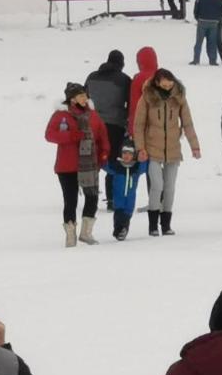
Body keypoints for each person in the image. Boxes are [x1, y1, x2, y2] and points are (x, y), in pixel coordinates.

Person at [134, 67, 200, 237]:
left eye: (170, 84)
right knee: (157, 185)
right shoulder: (146, 98)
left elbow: (188, 123)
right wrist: (140, 148)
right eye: (164, 85)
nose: (168, 87)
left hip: (172, 150)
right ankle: (153, 225)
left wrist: (195, 145)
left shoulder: (179, 98)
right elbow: (139, 125)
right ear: (157, 83)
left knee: (169, 188)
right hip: (152, 149)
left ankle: (166, 224)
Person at [46, 82, 110, 246]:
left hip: (89, 165)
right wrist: (72, 136)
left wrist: (103, 154)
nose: (85, 98)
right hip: (67, 166)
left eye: (85, 95)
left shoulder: (93, 116)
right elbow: (50, 135)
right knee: (70, 200)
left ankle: (86, 233)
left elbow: (103, 136)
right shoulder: (61, 115)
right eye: (81, 95)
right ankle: (70, 235)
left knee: (92, 197)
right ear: (72, 99)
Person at [85, 49, 132, 210]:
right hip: (115, 125)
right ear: (121, 63)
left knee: (93, 160)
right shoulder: (124, 80)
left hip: (93, 124)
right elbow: (130, 103)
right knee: (112, 160)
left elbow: (84, 98)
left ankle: (89, 195)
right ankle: (111, 198)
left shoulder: (91, 76)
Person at [106, 139, 147, 240]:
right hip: (118, 197)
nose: (126, 156)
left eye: (129, 153)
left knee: (127, 215)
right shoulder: (117, 166)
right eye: (124, 153)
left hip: (130, 197)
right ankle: (118, 231)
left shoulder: (136, 168)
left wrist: (143, 159)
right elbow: (106, 166)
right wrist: (102, 159)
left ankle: (123, 230)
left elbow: (144, 167)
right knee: (118, 215)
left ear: (133, 155)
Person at [191, 0, 222, 66]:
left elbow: (196, 7)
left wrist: (197, 18)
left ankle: (196, 60)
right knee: (212, 42)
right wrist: (219, 18)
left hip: (202, 20)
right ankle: (212, 60)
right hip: (214, 22)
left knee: (199, 42)